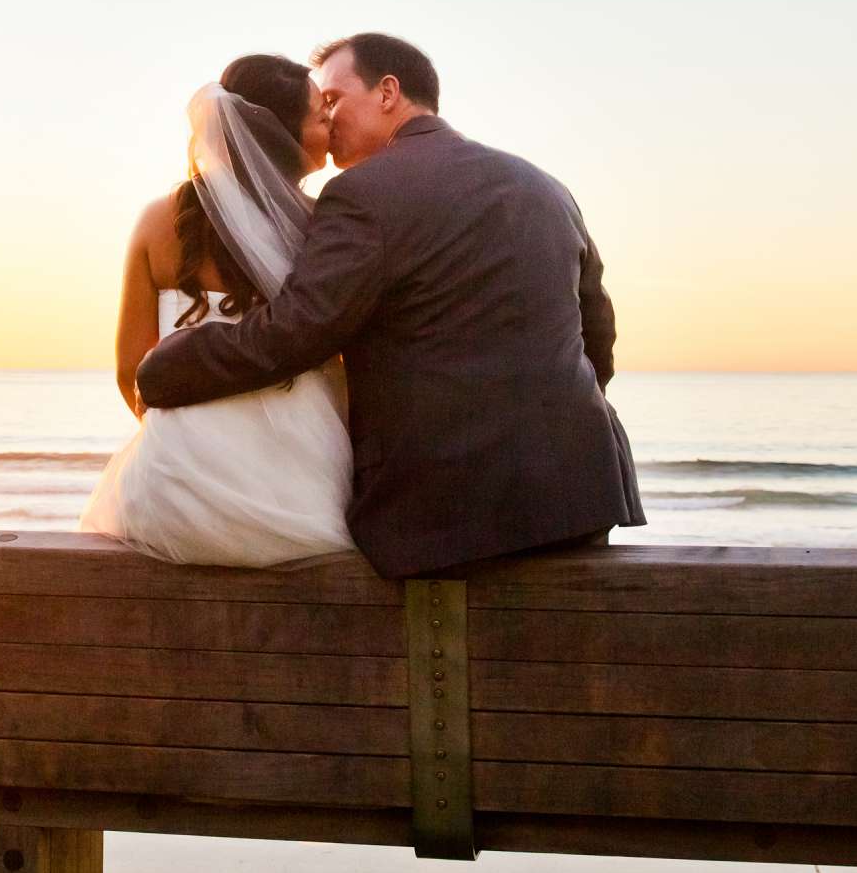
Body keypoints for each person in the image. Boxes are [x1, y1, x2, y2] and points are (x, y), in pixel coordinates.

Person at [137, 33, 643, 578]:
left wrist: (164, 368)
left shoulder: (362, 193)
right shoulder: (544, 186)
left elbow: (296, 333)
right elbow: (598, 338)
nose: (326, 121)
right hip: (582, 492)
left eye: (332, 99)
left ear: (387, 92)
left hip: (446, 518)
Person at [79, 54, 357, 565]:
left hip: (172, 492)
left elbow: (130, 373)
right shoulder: (321, 228)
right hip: (296, 493)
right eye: (320, 113)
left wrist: (189, 451)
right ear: (280, 130)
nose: (331, 121)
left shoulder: (156, 222)